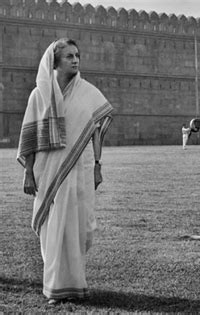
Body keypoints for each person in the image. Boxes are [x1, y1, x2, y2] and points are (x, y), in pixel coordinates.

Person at [17, 38, 113, 304]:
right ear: (55, 61)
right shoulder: (39, 95)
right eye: (69, 56)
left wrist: (97, 166)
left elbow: (95, 134)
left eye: (77, 55)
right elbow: (30, 136)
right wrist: (28, 172)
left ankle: (76, 284)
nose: (75, 59)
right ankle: (55, 287)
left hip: (81, 168)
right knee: (54, 228)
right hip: (48, 170)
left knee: (81, 228)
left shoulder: (88, 93)